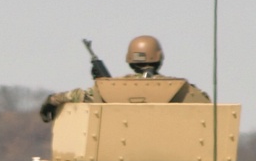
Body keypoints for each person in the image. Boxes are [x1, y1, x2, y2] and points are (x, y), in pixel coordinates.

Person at [39, 35, 210, 122]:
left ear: (130, 61)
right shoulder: (182, 88)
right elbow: (206, 103)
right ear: (160, 58)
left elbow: (79, 96)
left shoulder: (112, 88)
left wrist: (52, 100)